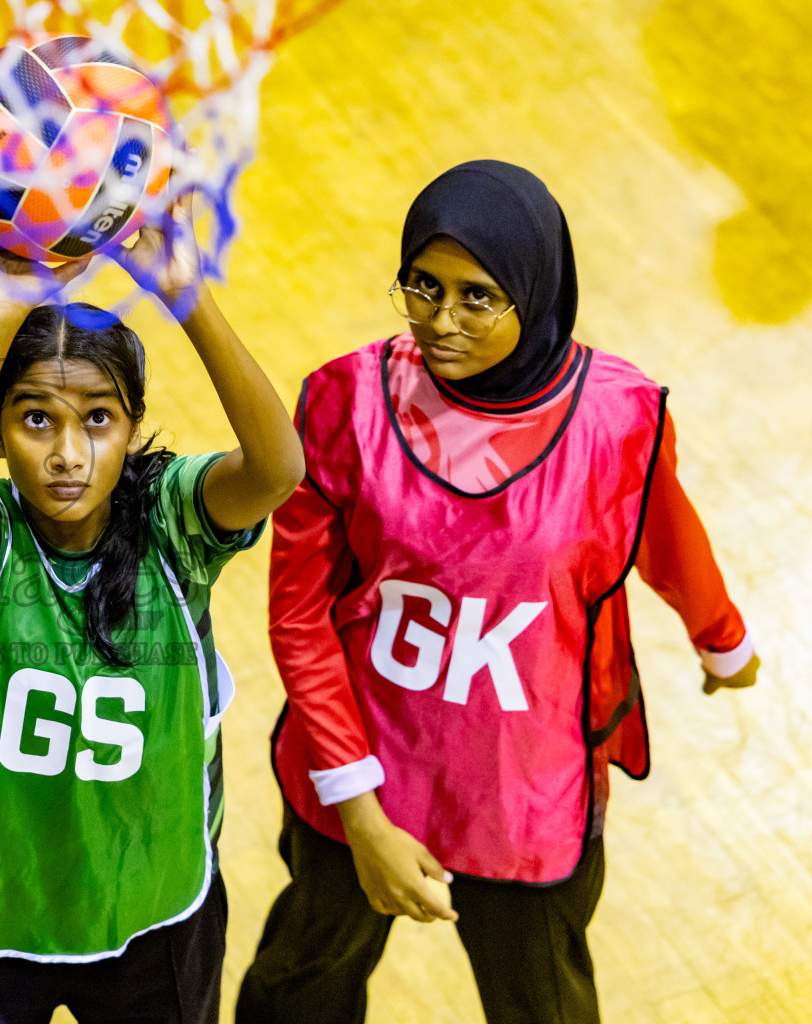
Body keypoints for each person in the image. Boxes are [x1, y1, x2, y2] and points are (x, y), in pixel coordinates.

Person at [236, 160, 759, 1024]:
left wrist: (721, 640)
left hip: (529, 788)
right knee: (301, 984)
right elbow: (298, 615)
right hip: (361, 767)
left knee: (544, 1005)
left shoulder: (620, 417)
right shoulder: (343, 399)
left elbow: (664, 535)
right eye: (422, 286)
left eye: (478, 296)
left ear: (535, 288)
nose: (442, 320)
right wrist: (362, 816)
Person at [0, 202, 305, 1024]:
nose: (68, 452)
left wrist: (188, 295)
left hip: (149, 916)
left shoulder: (170, 519)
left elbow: (277, 468)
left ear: (132, 428)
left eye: (99, 421)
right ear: (0, 435)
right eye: (36, 418)